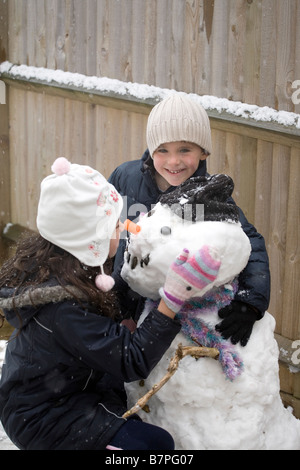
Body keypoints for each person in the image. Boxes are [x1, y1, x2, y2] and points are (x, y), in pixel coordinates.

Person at [0, 157, 215, 450]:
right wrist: (174, 296)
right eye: (115, 223)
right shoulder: (63, 306)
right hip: (41, 416)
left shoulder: (65, 266)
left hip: (67, 392)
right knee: (154, 445)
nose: (124, 226)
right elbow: (131, 361)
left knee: (136, 426)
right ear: (90, 238)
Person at [109, 93, 271, 347]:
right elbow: (103, 224)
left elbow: (251, 243)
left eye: (185, 149)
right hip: (116, 298)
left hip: (163, 309)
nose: (174, 161)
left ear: (203, 151)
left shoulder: (210, 200)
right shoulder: (126, 178)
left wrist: (249, 302)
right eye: (163, 150)